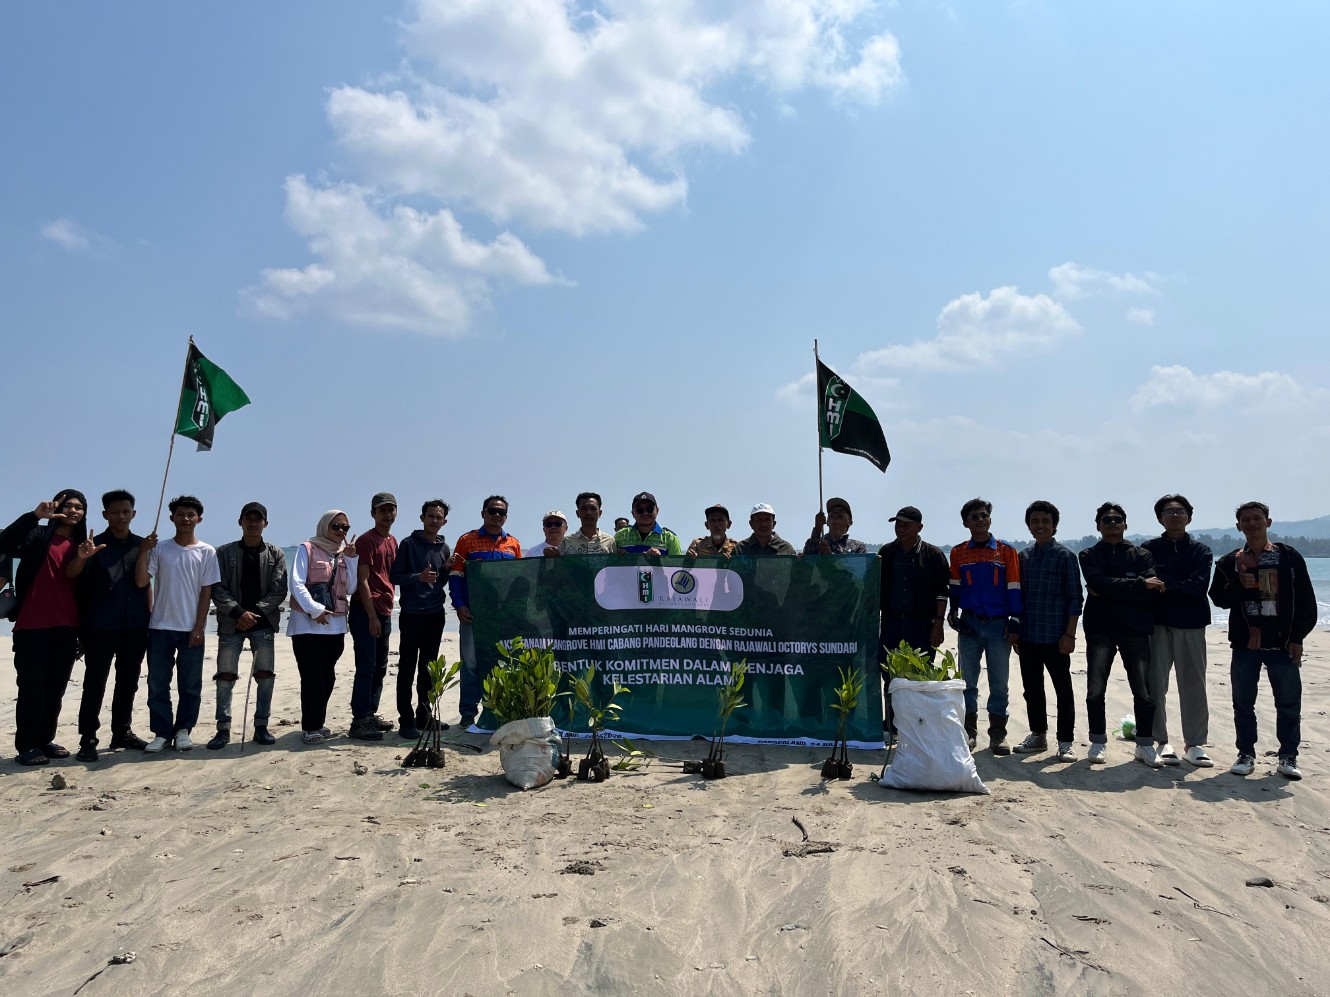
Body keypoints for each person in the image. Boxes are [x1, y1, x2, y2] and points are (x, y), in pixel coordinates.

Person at [1209, 501, 1315, 780]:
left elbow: (1306, 602)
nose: (1252, 524)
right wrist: (1237, 584)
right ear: (1238, 526)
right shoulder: (1229, 561)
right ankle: (1246, 754)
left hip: (1282, 643)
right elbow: (1218, 599)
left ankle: (1288, 756)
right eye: (1246, 520)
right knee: (1243, 703)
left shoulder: (1288, 557)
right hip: (1246, 644)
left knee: (1289, 703)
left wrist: (1297, 637)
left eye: (1257, 519)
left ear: (1268, 522)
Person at [1, 490, 90, 765]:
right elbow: (4, 541)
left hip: (67, 627)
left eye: (79, 507)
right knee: (32, 687)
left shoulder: (83, 546)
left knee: (55, 688)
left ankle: (44, 740)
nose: (74, 511)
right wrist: (34, 516)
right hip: (31, 624)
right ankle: (27, 745)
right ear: (57, 507)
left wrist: (85, 633)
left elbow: (87, 592)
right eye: (68, 506)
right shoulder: (37, 535)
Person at [67, 489, 151, 760]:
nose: (121, 517)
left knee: (128, 682)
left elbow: (147, 584)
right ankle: (88, 738)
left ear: (134, 514)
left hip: (135, 626)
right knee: (95, 683)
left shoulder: (142, 545)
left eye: (126, 512)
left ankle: (122, 732)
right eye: (115, 512)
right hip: (99, 626)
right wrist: (83, 556)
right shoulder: (93, 544)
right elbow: (74, 578)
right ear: (105, 515)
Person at [1078, 502, 1164, 768]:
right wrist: (1138, 585)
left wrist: (1109, 589)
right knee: (1095, 689)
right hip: (1100, 628)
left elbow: (1151, 588)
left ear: (1125, 524)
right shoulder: (1088, 554)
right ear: (1098, 526)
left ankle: (1145, 745)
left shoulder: (1142, 554)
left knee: (1143, 690)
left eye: (1117, 519)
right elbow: (1096, 583)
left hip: (1135, 628)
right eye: (1107, 520)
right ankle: (1097, 741)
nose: (1112, 523)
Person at [135, 495, 221, 753]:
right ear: (172, 517)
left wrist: (199, 627)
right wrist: (142, 550)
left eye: (190, 515)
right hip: (160, 627)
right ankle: (162, 732)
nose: (185, 518)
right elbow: (141, 582)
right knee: (157, 684)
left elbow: (207, 592)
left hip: (190, 629)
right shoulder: (160, 548)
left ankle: (183, 730)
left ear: (199, 519)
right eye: (180, 514)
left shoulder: (207, 551)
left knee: (190, 684)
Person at [208, 502, 288, 750]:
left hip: (263, 624)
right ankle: (223, 729)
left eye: (258, 519)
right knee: (225, 677)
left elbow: (279, 590)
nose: (253, 523)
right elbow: (216, 587)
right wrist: (239, 612)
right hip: (231, 623)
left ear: (265, 523)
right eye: (248, 518)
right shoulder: (224, 552)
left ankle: (261, 726)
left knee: (265, 677)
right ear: (240, 521)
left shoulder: (276, 554)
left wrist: (256, 613)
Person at [1143, 494, 1214, 767]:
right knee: (1155, 683)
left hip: (1191, 623)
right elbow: (1146, 581)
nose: (1175, 516)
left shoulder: (1201, 550)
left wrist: (1165, 584)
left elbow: (1198, 586)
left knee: (1194, 684)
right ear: (1160, 518)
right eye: (1169, 512)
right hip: (1156, 623)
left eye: (1180, 511)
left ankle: (1194, 744)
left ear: (1189, 516)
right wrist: (1168, 584)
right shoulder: (1148, 549)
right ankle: (1160, 741)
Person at [948, 498, 1021, 754]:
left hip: (999, 626)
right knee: (967, 681)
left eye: (983, 516)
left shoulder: (1006, 551)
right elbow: (955, 587)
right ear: (966, 523)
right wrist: (952, 613)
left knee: (999, 682)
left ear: (990, 519)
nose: (980, 520)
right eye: (974, 517)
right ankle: (968, 732)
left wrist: (1015, 622)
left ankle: (998, 734)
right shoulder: (958, 552)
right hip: (968, 624)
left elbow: (1014, 588)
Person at [1011, 500, 1083, 762]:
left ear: (1054, 526)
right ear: (1029, 526)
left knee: (1063, 689)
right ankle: (1038, 735)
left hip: (1056, 636)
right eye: (1035, 521)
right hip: (1028, 636)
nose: (1040, 526)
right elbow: (1016, 597)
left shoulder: (1065, 556)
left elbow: (1076, 599)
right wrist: (1015, 629)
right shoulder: (1023, 557)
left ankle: (1065, 742)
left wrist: (1070, 634)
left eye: (1045, 521)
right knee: (1032, 689)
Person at [449, 496, 522, 727]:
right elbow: (456, 576)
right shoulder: (467, 541)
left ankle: (497, 711)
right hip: (474, 614)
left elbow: (521, 580)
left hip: (503, 618)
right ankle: (468, 713)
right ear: (483, 513)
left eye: (501, 512)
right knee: (470, 663)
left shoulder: (513, 544)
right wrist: (460, 605)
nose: (496, 515)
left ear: (506, 517)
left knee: (501, 662)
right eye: (492, 511)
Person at [877, 506, 949, 738]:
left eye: (906, 524)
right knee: (889, 674)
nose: (901, 528)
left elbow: (942, 593)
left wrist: (938, 623)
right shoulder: (886, 553)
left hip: (922, 625)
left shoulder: (934, 555)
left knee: (920, 674)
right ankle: (891, 724)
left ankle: (917, 725)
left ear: (919, 527)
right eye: (898, 524)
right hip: (892, 623)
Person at [287, 510, 359, 745]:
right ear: (324, 526)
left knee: (327, 676)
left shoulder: (343, 554)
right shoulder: (306, 548)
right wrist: (314, 609)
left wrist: (352, 559)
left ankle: (318, 722)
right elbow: (296, 582)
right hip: (307, 625)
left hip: (335, 625)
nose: (341, 531)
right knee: (311, 677)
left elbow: (350, 589)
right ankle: (310, 726)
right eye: (336, 526)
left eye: (345, 528)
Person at [392, 499, 452, 739]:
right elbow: (395, 576)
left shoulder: (444, 548)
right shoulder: (408, 544)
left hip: (435, 614)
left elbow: (440, 582)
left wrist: (446, 568)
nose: (434, 521)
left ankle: (424, 715)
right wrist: (418, 576)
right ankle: (405, 720)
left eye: (439, 517)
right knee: (406, 667)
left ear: (444, 521)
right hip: (411, 614)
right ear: (422, 518)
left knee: (428, 668)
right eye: (430, 516)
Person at [348, 492, 399, 741]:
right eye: (382, 510)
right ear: (373, 514)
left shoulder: (392, 540)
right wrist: (371, 616)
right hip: (365, 611)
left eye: (391, 510)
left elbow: (393, 576)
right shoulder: (367, 540)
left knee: (380, 666)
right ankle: (359, 719)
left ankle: (370, 713)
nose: (387, 514)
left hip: (386, 609)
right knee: (366, 666)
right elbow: (362, 580)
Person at [614, 492, 683, 555]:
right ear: (633, 513)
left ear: (657, 510)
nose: (645, 513)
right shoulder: (620, 537)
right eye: (640, 509)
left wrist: (661, 560)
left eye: (649, 508)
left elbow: (676, 567)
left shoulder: (670, 539)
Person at [803, 497, 868, 555]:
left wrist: (831, 557)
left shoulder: (858, 546)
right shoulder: (815, 542)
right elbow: (808, 562)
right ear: (827, 521)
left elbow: (859, 567)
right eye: (832, 511)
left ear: (850, 522)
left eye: (841, 510)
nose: (836, 511)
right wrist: (817, 528)